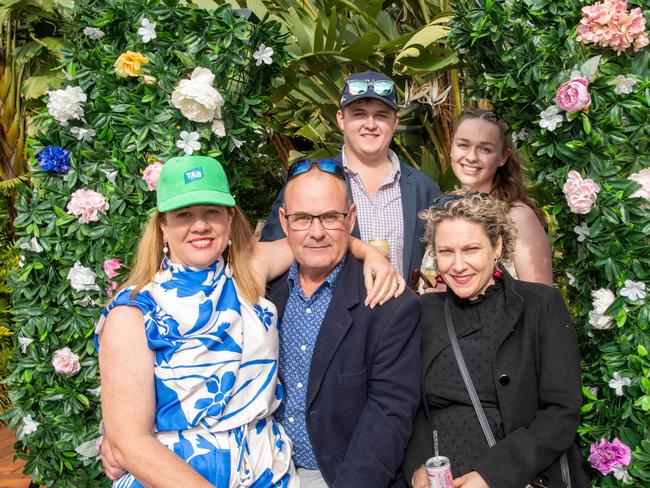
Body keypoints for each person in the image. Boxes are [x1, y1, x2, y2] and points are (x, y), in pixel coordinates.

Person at [96, 155, 403, 487]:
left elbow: (317, 236)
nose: (200, 225)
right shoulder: (135, 310)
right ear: (163, 226)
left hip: (266, 472)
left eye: (211, 212)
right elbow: (130, 443)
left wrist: (371, 254)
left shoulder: (248, 271)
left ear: (229, 219)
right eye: (184, 215)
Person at [404, 192, 588, 488]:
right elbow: (411, 409)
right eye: (446, 252)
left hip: (520, 477)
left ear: (497, 245)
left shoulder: (540, 305)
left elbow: (561, 411)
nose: (458, 265)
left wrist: (493, 475)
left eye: (471, 249)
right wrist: (418, 468)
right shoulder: (425, 314)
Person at [267, 159, 421, 487]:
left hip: (338, 476)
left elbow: (388, 419)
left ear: (350, 218)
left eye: (330, 217)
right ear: (284, 221)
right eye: (303, 218)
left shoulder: (389, 304)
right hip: (263, 470)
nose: (317, 232)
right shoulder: (265, 294)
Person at [261, 70, 441, 279]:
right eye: (359, 114)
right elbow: (272, 253)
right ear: (341, 119)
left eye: (381, 115)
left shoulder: (424, 189)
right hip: (330, 310)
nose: (370, 124)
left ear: (394, 122)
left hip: (406, 309)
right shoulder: (308, 182)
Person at [420, 109, 552, 290]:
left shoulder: (518, 217)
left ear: (503, 157)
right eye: (463, 145)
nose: (471, 157)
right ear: (451, 147)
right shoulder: (445, 211)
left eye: (485, 149)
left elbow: (542, 303)